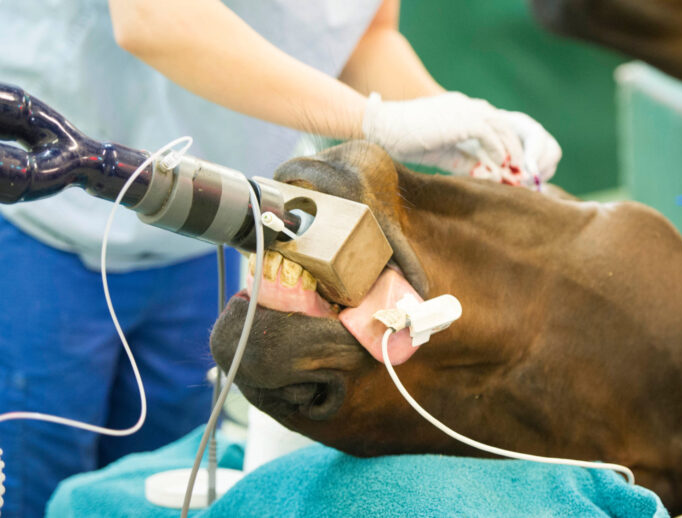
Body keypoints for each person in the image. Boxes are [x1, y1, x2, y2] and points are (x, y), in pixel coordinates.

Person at [0, 0, 561, 515]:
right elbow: (156, 19)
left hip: (202, 235)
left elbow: (363, 36)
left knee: (172, 484)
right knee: (36, 484)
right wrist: (375, 121)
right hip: (45, 225)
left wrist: (450, 117)